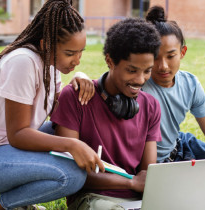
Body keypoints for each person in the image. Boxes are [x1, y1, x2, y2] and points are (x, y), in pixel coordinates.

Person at [0, 0, 105, 209]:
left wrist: (79, 78)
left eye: (81, 52)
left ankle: (19, 202)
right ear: (45, 45)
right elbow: (19, 135)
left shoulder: (50, 64)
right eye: (70, 53)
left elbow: (59, 115)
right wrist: (72, 145)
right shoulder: (23, 61)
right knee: (71, 176)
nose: (77, 60)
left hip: (3, 146)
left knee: (73, 128)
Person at [50, 18, 162, 210]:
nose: (140, 79)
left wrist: (139, 185)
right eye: (132, 70)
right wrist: (130, 183)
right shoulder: (74, 98)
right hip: (92, 198)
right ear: (110, 61)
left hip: (139, 200)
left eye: (147, 71)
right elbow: (67, 172)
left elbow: (147, 174)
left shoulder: (151, 106)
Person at [143, 6, 205, 163]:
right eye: (155, 57)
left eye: (171, 56)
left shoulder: (190, 84)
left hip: (181, 146)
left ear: (182, 52)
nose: (163, 66)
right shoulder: (137, 85)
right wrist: (80, 75)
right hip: (158, 163)